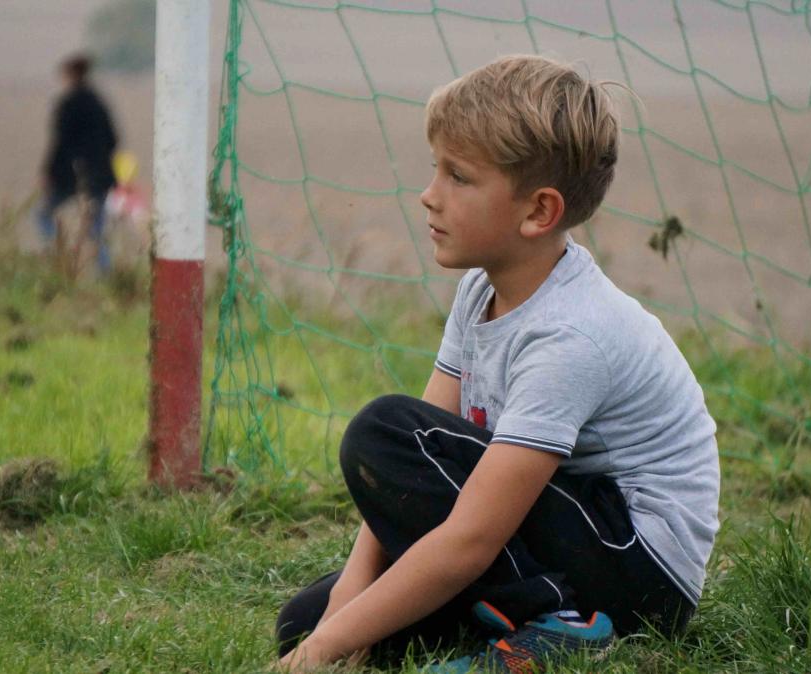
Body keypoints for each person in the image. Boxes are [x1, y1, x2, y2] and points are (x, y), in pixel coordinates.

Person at [275, 55, 720, 673]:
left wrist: (314, 657)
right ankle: (516, 623)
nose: (429, 195)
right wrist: (343, 606)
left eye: (458, 176)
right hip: (561, 536)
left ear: (538, 212)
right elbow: (426, 458)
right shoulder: (480, 290)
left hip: (637, 570)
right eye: (436, 168)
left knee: (380, 431)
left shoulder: (570, 334)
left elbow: (469, 531)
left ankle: (557, 623)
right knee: (306, 620)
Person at [36, 54, 118, 274]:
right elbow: (113, 139)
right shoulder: (99, 103)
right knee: (96, 229)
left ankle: (61, 254)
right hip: (100, 175)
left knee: (43, 216)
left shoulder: (68, 104)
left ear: (70, 74)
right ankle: (106, 275)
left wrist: (49, 172)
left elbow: (61, 142)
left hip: (69, 176)